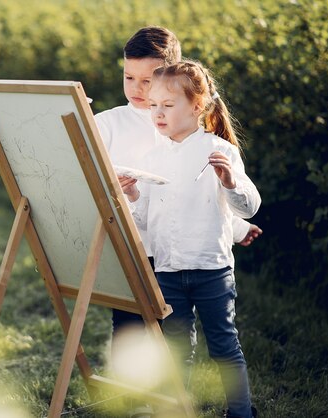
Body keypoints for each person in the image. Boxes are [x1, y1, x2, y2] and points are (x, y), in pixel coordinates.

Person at [94, 25, 262, 349]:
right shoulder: (108, 123)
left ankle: (167, 398)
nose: (138, 88)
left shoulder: (180, 122)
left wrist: (236, 227)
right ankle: (128, 398)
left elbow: (194, 194)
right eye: (129, 77)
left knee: (169, 337)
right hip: (132, 246)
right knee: (129, 328)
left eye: (148, 79)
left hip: (175, 254)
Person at [120, 60, 260, 418]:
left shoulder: (219, 151)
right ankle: (176, 410)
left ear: (197, 106)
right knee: (176, 350)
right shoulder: (151, 158)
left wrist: (230, 183)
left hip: (211, 270)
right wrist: (134, 196)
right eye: (153, 106)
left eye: (168, 105)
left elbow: (249, 207)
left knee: (225, 346)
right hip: (167, 271)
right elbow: (145, 223)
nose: (158, 113)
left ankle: (241, 412)